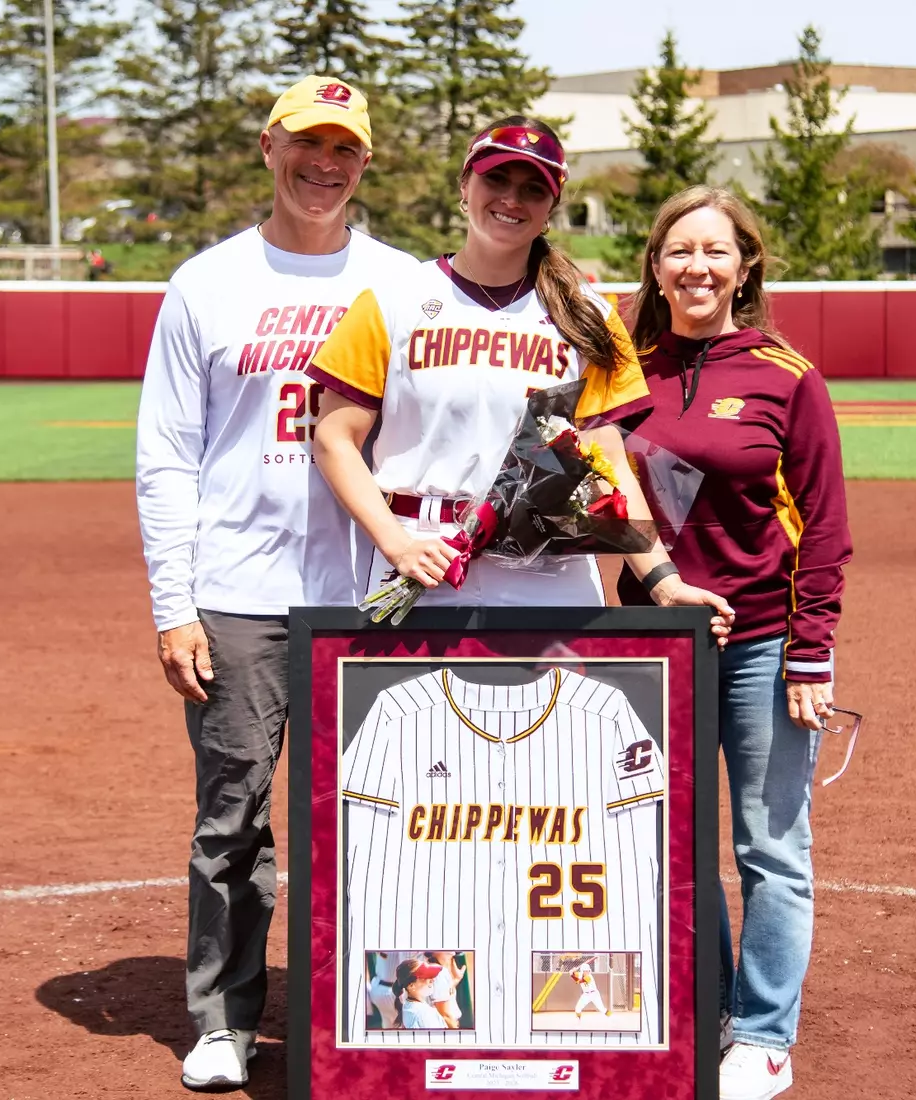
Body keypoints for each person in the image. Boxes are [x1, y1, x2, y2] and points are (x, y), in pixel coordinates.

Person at [135, 75, 419, 1092]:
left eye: (344, 146)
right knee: (234, 814)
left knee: (389, 807)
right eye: (307, 142)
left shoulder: (402, 283)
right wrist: (174, 602)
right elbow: (166, 452)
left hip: (370, 593)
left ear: (366, 161)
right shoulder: (205, 283)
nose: (324, 163)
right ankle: (222, 1017)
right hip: (241, 590)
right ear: (269, 147)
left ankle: (382, 1007)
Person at [616, 185, 852, 1100]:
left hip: (758, 638)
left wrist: (810, 651)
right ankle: (710, 1004)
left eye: (716, 252)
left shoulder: (786, 375)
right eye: (680, 251)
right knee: (672, 838)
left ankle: (761, 1034)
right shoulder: (623, 370)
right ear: (656, 265)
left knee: (770, 845)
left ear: (745, 265)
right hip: (653, 639)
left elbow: (825, 527)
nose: (697, 268)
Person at [309, 116, 733, 622]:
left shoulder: (587, 314)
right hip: (421, 560)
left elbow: (610, 463)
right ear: (465, 186)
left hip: (551, 567)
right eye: (496, 179)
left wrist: (662, 582)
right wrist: (397, 543)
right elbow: (334, 439)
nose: (512, 199)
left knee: (555, 704)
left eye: (533, 189)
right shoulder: (393, 300)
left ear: (551, 209)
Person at [393, 959, 446, 1029]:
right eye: (426, 977)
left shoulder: (407, 1005)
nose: (432, 980)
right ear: (411, 986)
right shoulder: (425, 1014)